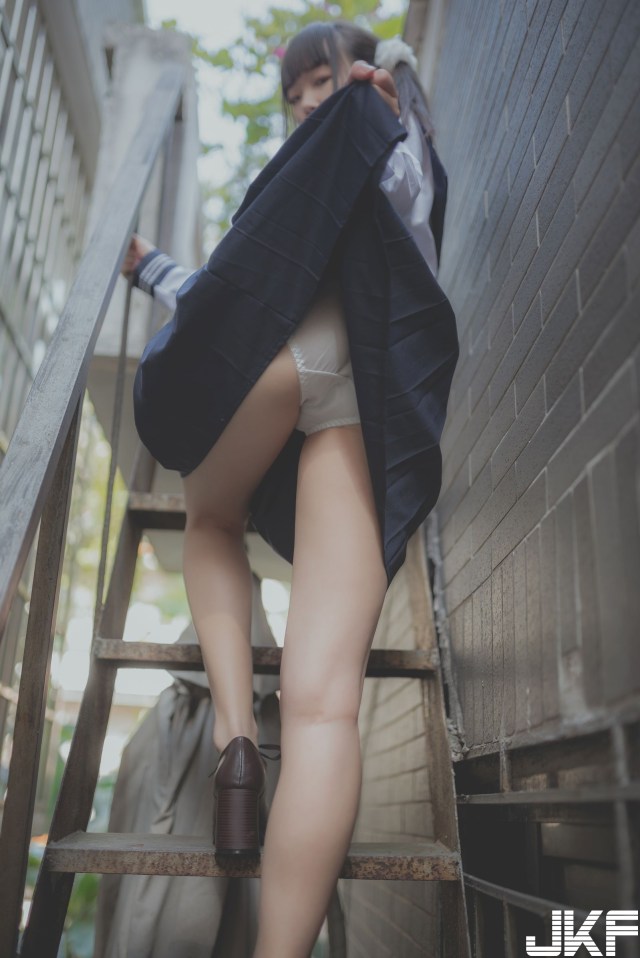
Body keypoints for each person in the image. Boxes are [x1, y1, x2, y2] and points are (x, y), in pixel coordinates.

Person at [126, 21, 456, 958]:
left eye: (320, 82)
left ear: (356, 75)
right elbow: (404, 220)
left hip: (285, 359)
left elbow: (228, 304)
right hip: (364, 393)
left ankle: (235, 737)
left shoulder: (376, 129)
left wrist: (379, 101)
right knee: (323, 705)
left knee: (210, 519)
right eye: (297, 93)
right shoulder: (390, 155)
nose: (310, 102)